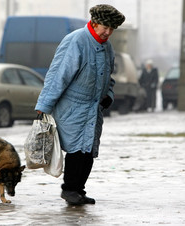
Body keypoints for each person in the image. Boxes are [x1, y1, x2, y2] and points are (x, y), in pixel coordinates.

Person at [34, 4, 125, 205]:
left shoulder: (107, 47)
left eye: (112, 29)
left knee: (88, 151)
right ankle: (69, 190)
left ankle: (79, 190)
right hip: (72, 106)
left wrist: (108, 94)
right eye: (105, 27)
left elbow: (109, 77)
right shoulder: (76, 41)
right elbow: (58, 75)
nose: (108, 32)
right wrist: (44, 105)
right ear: (94, 22)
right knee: (76, 150)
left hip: (94, 108)